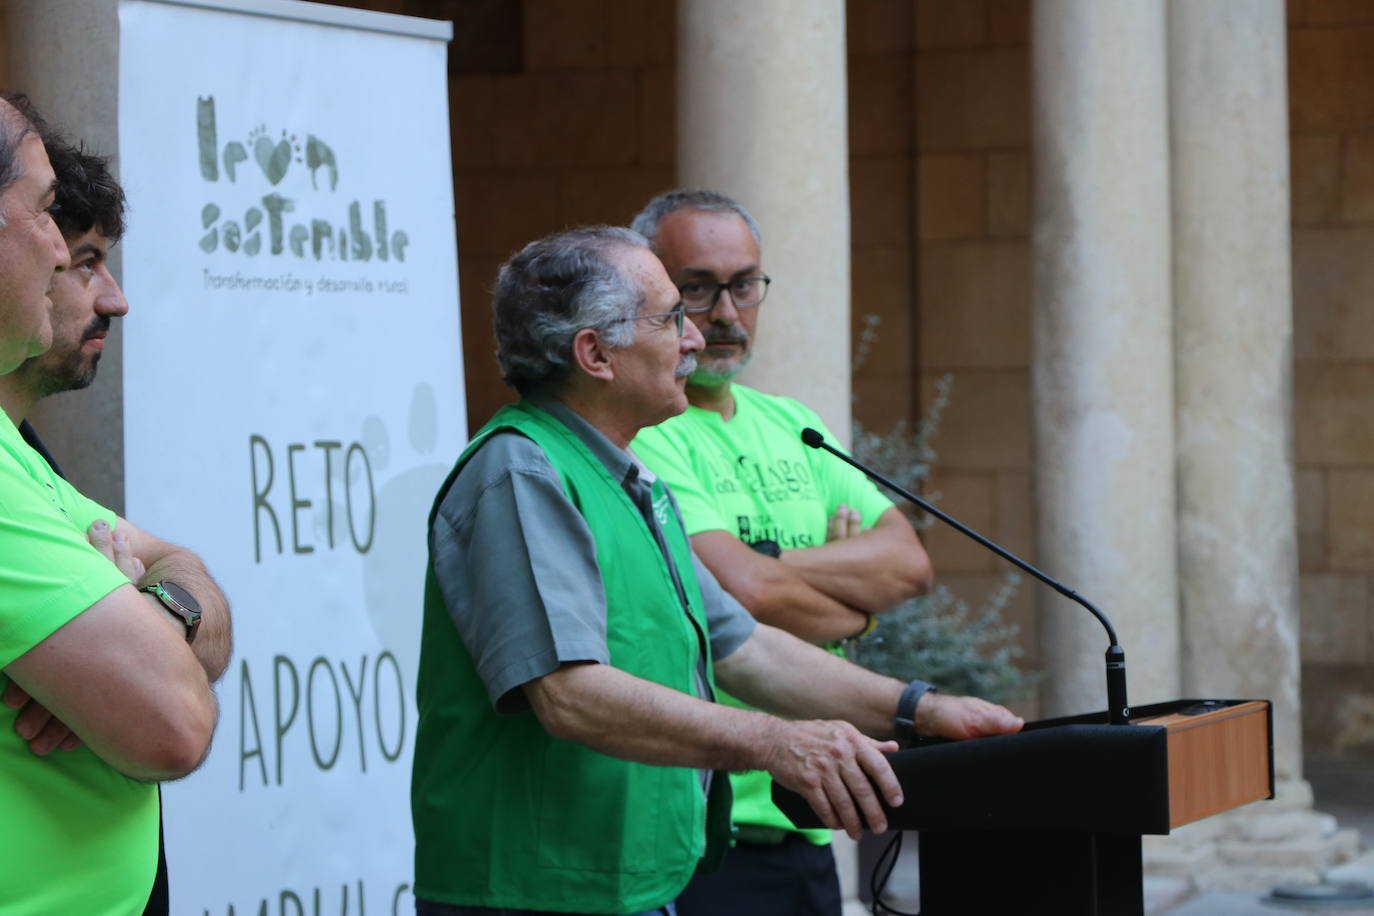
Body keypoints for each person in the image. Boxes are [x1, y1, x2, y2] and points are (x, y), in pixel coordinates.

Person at [411, 225, 1022, 916]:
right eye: (671, 316)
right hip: (531, 892)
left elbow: (743, 645)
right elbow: (571, 693)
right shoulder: (522, 472)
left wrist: (922, 708)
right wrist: (775, 742)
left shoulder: (629, 478)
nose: (695, 338)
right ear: (595, 354)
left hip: (632, 883)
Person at [629, 189, 935, 915]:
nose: (727, 314)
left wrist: (763, 563)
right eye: (697, 288)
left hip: (814, 812)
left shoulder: (795, 425)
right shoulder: (644, 433)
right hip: (709, 830)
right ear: (656, 293)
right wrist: (854, 604)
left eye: (743, 284)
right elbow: (743, 601)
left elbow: (909, 564)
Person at [0, 93, 231, 915]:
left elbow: (184, 566)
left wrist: (150, 615)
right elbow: (173, 721)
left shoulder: (22, 459)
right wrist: (141, 658)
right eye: (51, 223)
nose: (109, 295)